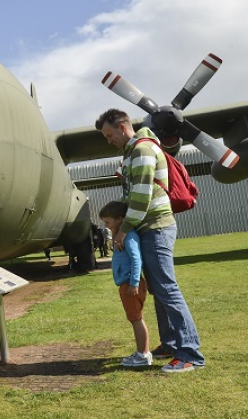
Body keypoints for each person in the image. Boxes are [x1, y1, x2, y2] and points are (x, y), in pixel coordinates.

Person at [95, 108, 205, 373]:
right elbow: (135, 195)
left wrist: (123, 230)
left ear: (122, 127)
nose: (109, 140)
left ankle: (190, 353)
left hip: (156, 228)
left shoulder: (142, 151)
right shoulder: (133, 153)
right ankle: (170, 344)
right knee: (159, 291)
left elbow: (142, 197)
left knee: (167, 289)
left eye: (109, 135)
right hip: (149, 229)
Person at [100, 200, 151, 367]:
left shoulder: (129, 237)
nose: (106, 226)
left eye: (108, 222)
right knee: (134, 318)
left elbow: (137, 260)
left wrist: (134, 283)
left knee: (136, 319)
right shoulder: (120, 235)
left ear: (120, 219)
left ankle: (143, 355)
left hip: (130, 285)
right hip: (126, 284)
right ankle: (141, 352)